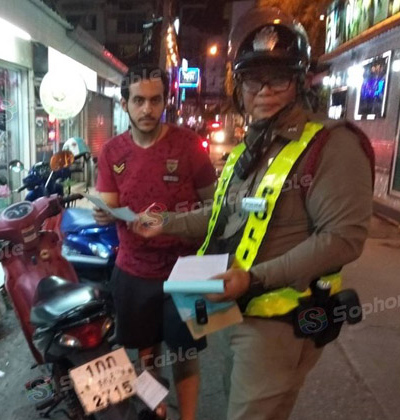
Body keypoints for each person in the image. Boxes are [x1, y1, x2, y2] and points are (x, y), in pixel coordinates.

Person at [132, 8, 374, 420]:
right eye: (251, 78)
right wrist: (165, 224)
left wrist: (254, 278)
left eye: (277, 77)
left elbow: (343, 239)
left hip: (282, 323)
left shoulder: (332, 145)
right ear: (238, 86)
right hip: (243, 313)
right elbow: (222, 214)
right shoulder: (252, 149)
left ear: (299, 82)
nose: (263, 90)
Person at [94, 63, 218, 420]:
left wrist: (175, 224)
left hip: (187, 269)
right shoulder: (112, 152)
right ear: (124, 104)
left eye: (155, 100)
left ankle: (188, 417)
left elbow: (215, 207)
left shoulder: (189, 146)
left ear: (165, 101)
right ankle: (156, 409)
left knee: (185, 353)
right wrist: (103, 213)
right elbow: (110, 205)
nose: (147, 109)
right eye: (138, 100)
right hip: (133, 270)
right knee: (146, 352)